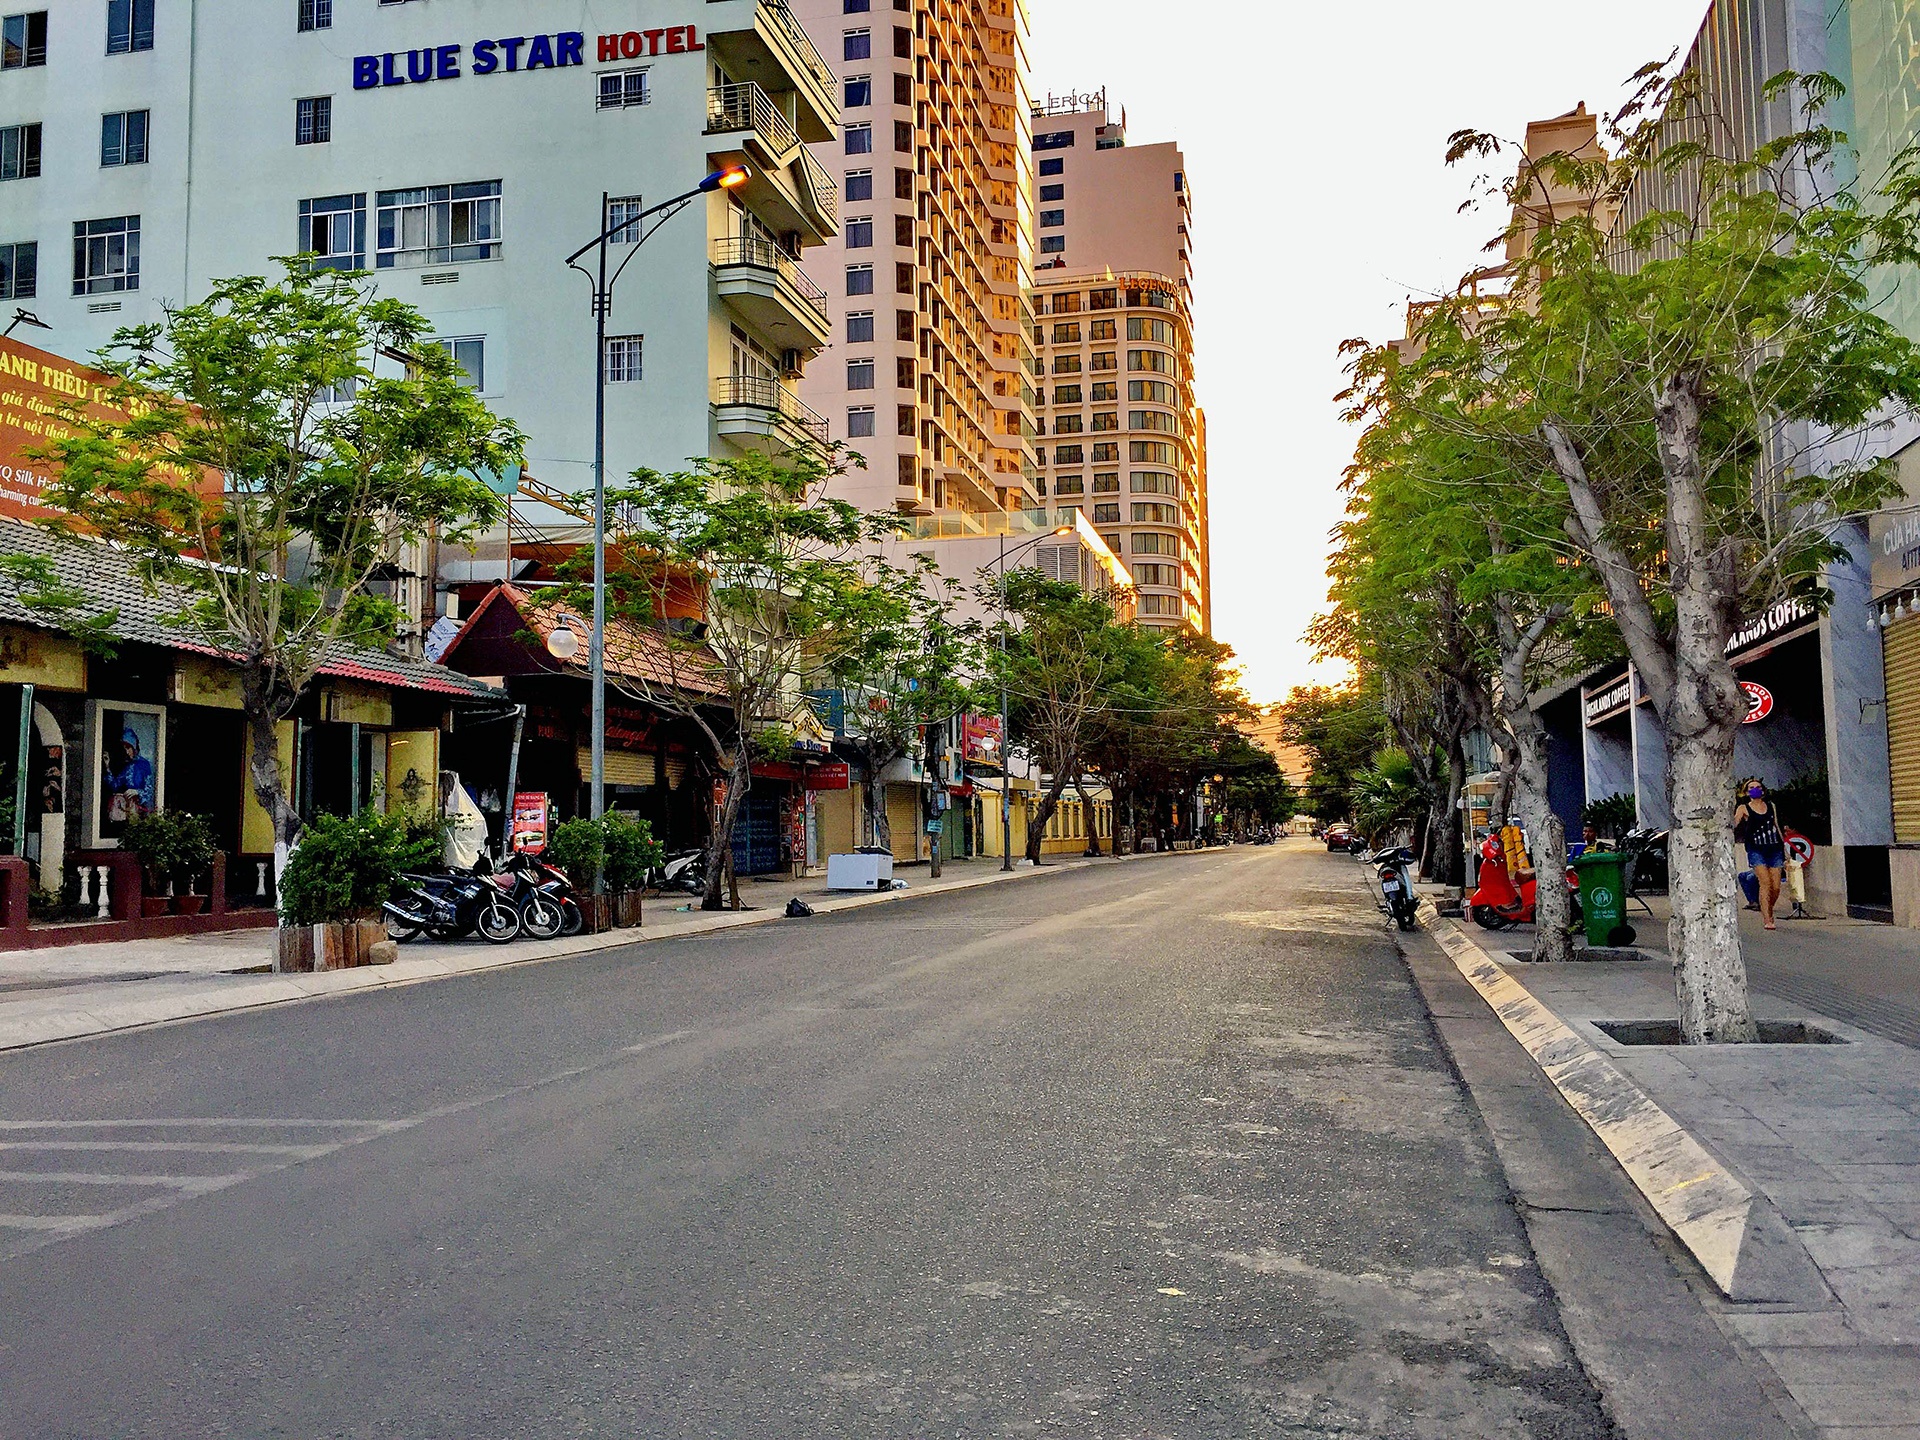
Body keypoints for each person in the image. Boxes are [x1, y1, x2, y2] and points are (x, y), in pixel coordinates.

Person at [1733, 780, 1787, 930]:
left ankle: (1767, 908)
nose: (1755, 790)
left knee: (1776, 886)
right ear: (1747, 791)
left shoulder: (1771, 806)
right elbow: (1734, 823)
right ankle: (1767, 918)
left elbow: (1776, 826)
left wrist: (1786, 851)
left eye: (1757, 787)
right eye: (1751, 788)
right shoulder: (1744, 808)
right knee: (1765, 882)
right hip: (1756, 849)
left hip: (1774, 848)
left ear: (1763, 790)